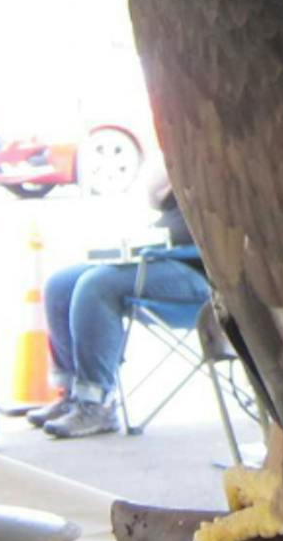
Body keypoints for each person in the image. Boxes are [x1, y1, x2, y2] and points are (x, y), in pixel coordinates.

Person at [27, 168, 211, 440]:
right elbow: (155, 196)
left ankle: (96, 403)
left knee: (97, 286)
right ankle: (72, 394)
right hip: (160, 254)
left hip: (202, 272)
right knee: (61, 284)